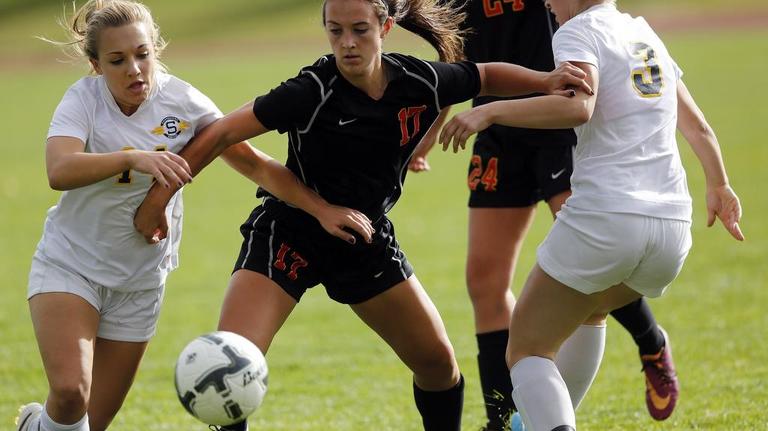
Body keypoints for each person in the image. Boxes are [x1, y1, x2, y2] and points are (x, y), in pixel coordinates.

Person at [132, 1, 592, 429]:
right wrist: (159, 199)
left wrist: (545, 81)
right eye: (336, 31)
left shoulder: (418, 80)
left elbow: (485, 75)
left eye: (359, 30)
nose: (347, 43)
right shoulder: (311, 90)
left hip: (364, 238)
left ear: (385, 27)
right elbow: (220, 133)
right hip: (289, 232)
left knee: (439, 367)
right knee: (233, 360)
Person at [14, 1, 376, 430]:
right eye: (117, 60)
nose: (134, 69)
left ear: (156, 50)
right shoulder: (83, 100)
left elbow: (255, 164)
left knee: (91, 422)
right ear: (96, 65)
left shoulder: (182, 101)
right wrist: (134, 157)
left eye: (143, 54)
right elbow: (59, 170)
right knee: (72, 393)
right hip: (71, 265)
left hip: (140, 281)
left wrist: (321, 209)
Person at [438, 0, 744, 429]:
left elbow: (578, 106)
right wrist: (719, 185)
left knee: (526, 349)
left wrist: (488, 110)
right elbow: (699, 126)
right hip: (673, 228)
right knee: (591, 309)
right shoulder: (644, 33)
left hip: (608, 216)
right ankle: (528, 423)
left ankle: (548, 413)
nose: (546, 3)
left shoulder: (577, 31)